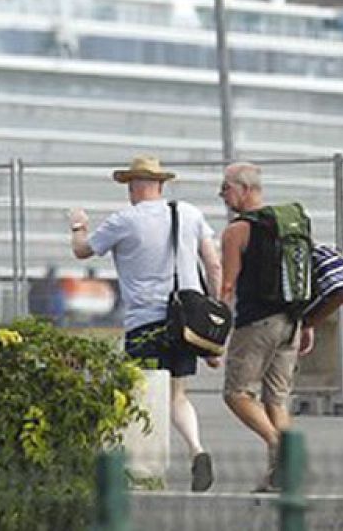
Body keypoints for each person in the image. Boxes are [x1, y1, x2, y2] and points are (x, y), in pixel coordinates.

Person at [69, 155, 222, 492]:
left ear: (134, 185)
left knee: (140, 395)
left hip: (145, 322)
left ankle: (144, 472)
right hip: (186, 320)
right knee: (177, 396)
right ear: (160, 184)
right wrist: (213, 313)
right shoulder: (189, 213)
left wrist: (79, 225)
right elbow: (213, 265)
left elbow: (82, 251)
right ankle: (197, 449)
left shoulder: (124, 220)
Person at [217, 162, 312, 493]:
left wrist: (215, 334)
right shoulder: (289, 224)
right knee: (276, 400)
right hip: (291, 321)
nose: (222, 195)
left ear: (244, 189)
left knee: (237, 394)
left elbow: (227, 286)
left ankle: (276, 444)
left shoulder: (236, 231)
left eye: (226, 188)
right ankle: (283, 475)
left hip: (257, 323)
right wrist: (305, 323)